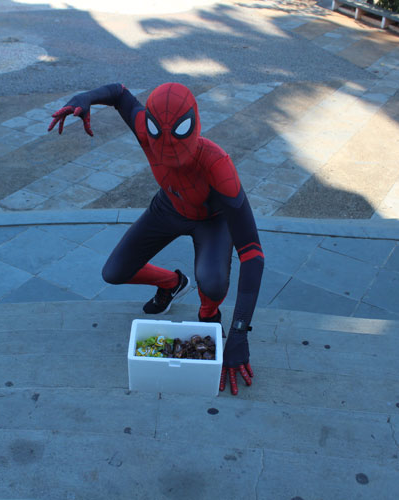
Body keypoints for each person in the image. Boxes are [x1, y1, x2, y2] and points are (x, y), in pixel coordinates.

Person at [48, 82, 263, 395]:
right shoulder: (146, 131)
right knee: (114, 272)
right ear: (151, 131)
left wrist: (239, 333)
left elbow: (253, 253)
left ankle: (208, 314)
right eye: (160, 145)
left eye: (179, 148)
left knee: (213, 282)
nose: (172, 157)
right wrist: (84, 98)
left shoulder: (218, 166)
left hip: (211, 222)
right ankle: (172, 283)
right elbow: (120, 94)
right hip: (169, 206)